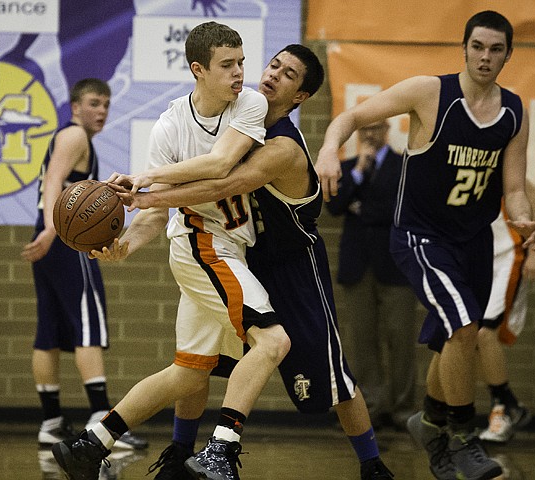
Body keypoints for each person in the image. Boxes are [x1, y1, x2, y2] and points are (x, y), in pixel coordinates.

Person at [123, 44, 393, 480]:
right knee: (201, 361)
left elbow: (223, 181)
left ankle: (373, 466)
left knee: (333, 376)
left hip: (295, 266)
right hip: (245, 257)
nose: (272, 75)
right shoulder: (239, 114)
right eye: (273, 65)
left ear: (300, 96)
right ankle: (181, 453)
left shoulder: (284, 144)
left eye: (288, 75)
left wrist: (147, 193)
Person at [50, 22, 291, 480]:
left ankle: (89, 445)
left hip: (229, 247)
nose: (240, 72)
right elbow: (156, 217)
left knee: (187, 374)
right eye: (227, 65)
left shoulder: (250, 104)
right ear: (198, 70)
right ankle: (221, 449)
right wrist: (126, 246)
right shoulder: (169, 126)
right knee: (274, 340)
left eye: (241, 62)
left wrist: (146, 180)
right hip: (202, 244)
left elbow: (221, 166)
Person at [314, 10, 535, 480]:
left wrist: (524, 220)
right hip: (421, 237)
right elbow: (353, 116)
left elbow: (515, 186)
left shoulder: (513, 112)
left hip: (474, 240)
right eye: (477, 46)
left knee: (450, 343)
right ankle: (461, 438)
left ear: (508, 54)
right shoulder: (429, 92)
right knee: (464, 329)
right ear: (463, 47)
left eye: (496, 49)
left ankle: (430, 420)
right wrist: (327, 150)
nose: (485, 56)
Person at [21, 78, 147, 452]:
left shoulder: (75, 137)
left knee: (50, 329)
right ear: (75, 106)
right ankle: (99, 420)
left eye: (106, 104)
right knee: (86, 324)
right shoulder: (74, 135)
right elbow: (53, 180)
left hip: (53, 236)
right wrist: (51, 230)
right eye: (94, 103)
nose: (102, 111)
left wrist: (46, 230)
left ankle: (51, 422)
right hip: (64, 238)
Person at [325, 120, 418, 431]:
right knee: (363, 340)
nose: (369, 133)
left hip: (396, 266)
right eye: (364, 129)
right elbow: (336, 206)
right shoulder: (348, 166)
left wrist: (362, 208)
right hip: (357, 266)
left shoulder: (403, 165)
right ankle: (372, 407)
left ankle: (403, 409)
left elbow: (400, 209)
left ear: (387, 130)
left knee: (401, 339)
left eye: (375, 128)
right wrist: (358, 172)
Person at [476, 181, 535, 443]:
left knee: (485, 333)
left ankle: (504, 406)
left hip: (509, 255)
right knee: (468, 338)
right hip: (479, 254)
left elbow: (531, 193)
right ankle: (505, 408)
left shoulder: (499, 146)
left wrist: (534, 251)